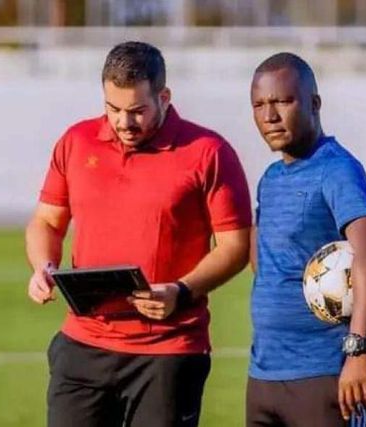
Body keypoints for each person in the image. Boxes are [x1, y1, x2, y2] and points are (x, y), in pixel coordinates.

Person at [25, 41, 251, 427]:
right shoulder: (76, 142)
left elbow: (236, 245)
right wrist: (43, 266)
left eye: (137, 111)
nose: (123, 122)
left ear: (164, 97)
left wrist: (180, 291)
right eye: (113, 109)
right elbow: (46, 221)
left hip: (168, 352)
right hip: (83, 346)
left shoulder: (209, 152)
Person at [247, 52, 366, 427]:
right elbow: (263, 259)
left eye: (283, 101)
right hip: (264, 374)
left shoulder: (337, 169)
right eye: (259, 105)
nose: (270, 116)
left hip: (325, 375)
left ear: (314, 103)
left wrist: (358, 350)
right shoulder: (270, 179)